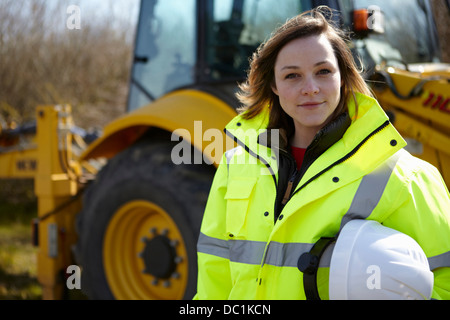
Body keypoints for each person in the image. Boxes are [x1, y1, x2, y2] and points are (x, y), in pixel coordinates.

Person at [195, 7, 450, 300]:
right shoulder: (234, 166)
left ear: (343, 77)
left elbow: (444, 284)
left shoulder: (407, 177)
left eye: (323, 71)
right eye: (292, 76)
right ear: (274, 85)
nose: (311, 88)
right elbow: (213, 277)